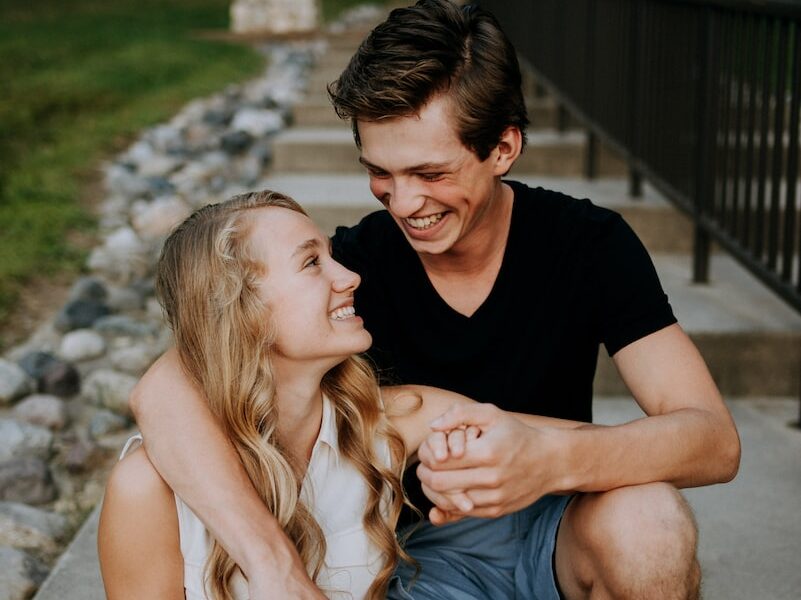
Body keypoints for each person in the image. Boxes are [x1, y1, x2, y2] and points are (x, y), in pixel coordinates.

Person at [129, 2, 741, 599]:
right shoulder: (354, 267)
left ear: (503, 148)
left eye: (431, 174)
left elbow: (712, 439)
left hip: (555, 531)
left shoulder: (587, 244)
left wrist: (550, 461)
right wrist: (275, 565)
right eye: (381, 174)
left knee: (650, 522)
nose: (402, 203)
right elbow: (171, 384)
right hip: (404, 554)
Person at [98, 190, 578, 599]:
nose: (349, 277)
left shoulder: (392, 421)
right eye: (311, 262)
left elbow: (585, 448)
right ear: (242, 310)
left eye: (331, 255)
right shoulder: (147, 489)